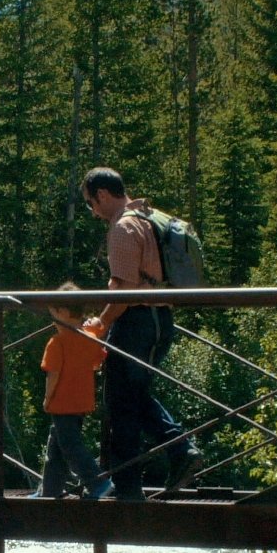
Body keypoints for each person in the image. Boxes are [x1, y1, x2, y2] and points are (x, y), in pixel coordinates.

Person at [80, 166, 200, 500]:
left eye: (91, 203)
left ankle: (138, 481)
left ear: (103, 194)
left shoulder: (122, 227)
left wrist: (100, 325)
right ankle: (170, 457)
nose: (93, 212)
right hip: (162, 319)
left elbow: (124, 290)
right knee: (131, 395)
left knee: (120, 402)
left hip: (137, 322)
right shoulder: (148, 217)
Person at [29, 283, 114, 500]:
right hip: (82, 402)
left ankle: (98, 482)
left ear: (64, 313)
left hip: (62, 403)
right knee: (57, 444)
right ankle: (49, 490)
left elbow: (53, 375)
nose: (52, 318)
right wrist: (95, 328)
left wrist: (47, 399)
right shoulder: (89, 337)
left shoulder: (57, 343)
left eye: (54, 313)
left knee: (70, 446)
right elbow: (96, 363)